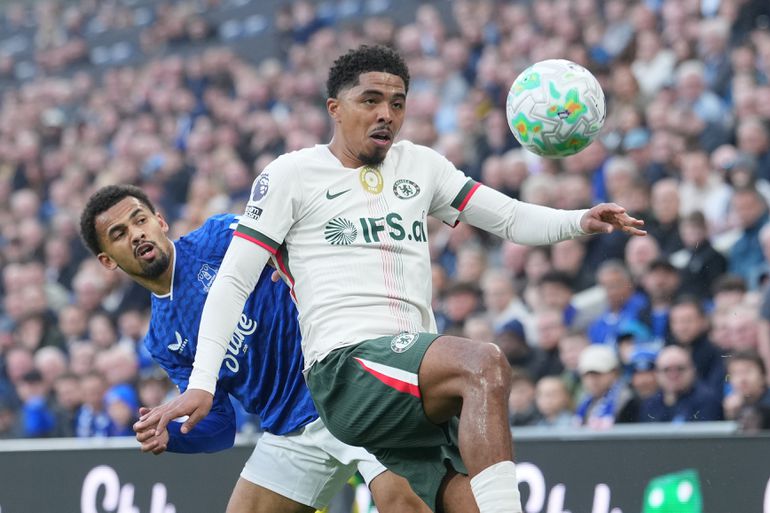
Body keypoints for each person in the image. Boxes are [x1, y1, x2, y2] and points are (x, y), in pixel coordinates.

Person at [136, 45, 644, 513]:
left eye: (397, 104)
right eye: (371, 101)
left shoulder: (420, 166)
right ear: (335, 108)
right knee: (483, 364)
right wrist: (202, 383)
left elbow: (509, 218)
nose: (386, 114)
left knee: (459, 500)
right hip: (344, 368)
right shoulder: (290, 175)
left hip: (408, 372)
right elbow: (232, 282)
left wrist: (579, 220)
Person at [78, 185, 426, 513]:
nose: (136, 234)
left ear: (160, 221)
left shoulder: (217, 237)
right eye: (119, 233)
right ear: (108, 261)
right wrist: (172, 436)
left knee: (402, 502)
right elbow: (220, 425)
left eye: (140, 220)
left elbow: (296, 237)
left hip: (343, 384)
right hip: (289, 428)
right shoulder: (160, 337)